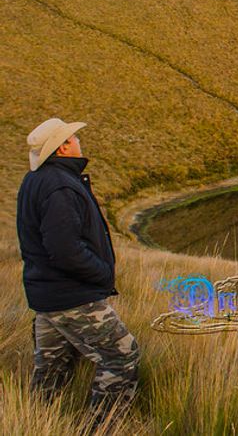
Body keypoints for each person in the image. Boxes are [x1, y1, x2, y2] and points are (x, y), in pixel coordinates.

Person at [16, 118, 141, 426]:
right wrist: (102, 274)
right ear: (64, 146)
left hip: (49, 298)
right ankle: (100, 429)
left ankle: (35, 425)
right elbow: (64, 250)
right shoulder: (59, 186)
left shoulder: (37, 180)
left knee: (51, 370)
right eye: (73, 136)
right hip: (72, 296)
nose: (78, 140)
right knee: (122, 356)